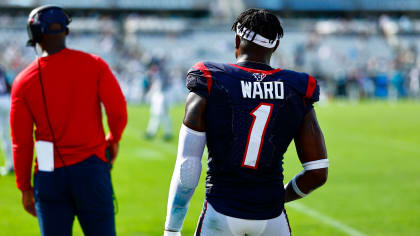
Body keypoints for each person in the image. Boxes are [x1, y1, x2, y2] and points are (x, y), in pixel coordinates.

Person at [164, 9, 329, 236]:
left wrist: (172, 230)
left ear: (237, 40)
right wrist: (278, 197)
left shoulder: (212, 79)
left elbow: (188, 170)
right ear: (275, 46)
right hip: (272, 218)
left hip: (220, 212)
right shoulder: (297, 88)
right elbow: (318, 173)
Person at [10, 5, 127, 236]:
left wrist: (24, 188)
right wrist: (113, 139)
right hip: (92, 169)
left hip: (49, 174)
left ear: (33, 35)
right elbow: (117, 111)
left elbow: (21, 143)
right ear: (66, 31)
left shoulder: (23, 82)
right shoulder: (95, 65)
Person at [0, 65, 12, 176]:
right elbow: (8, 85)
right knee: (11, 133)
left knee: (4, 135)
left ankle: (10, 165)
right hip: (6, 99)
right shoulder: (2, 69)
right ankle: (12, 164)